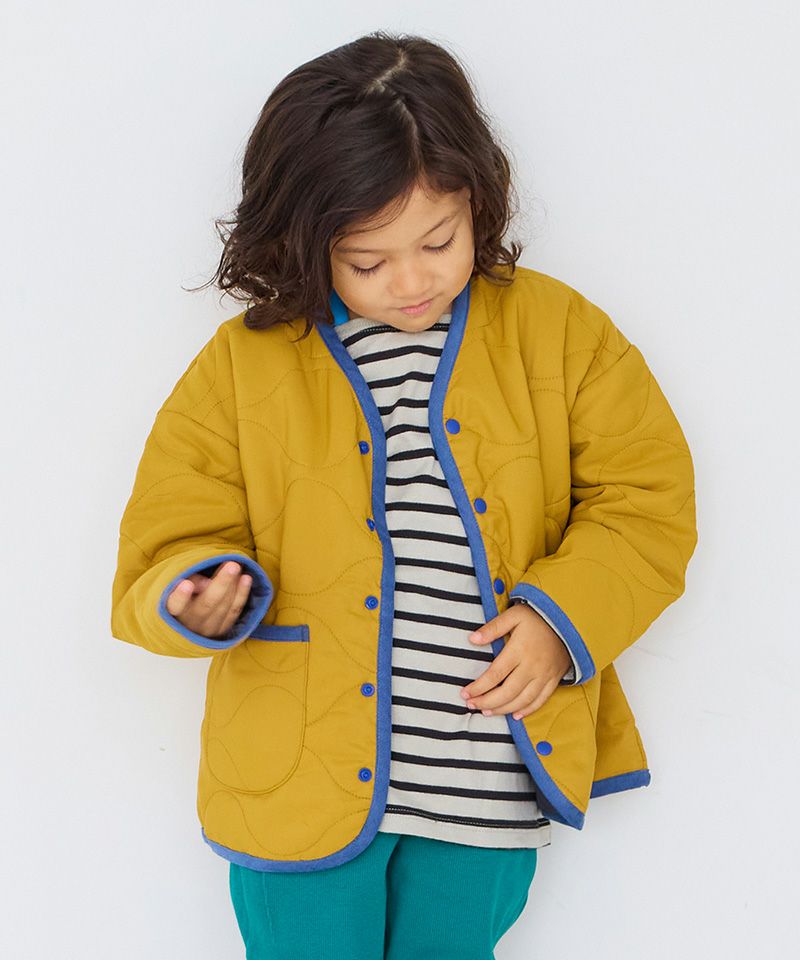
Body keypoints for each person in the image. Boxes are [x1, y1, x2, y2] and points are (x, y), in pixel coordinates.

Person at [110, 30, 698, 960]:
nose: (413, 281)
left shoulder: (562, 333)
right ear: (302, 241)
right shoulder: (241, 367)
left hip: (485, 776)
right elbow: (170, 533)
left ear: (479, 203)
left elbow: (647, 498)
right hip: (296, 780)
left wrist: (562, 620)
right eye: (367, 261)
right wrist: (193, 592)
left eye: (438, 241)